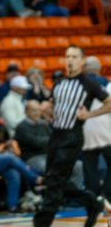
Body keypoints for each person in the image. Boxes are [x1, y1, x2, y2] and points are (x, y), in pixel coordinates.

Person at [34, 46, 111, 227]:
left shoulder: (88, 83)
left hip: (73, 136)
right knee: (54, 180)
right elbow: (54, 114)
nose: (70, 60)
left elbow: (109, 103)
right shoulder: (58, 83)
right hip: (56, 135)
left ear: (82, 61)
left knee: (55, 181)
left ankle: (42, 222)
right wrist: (46, 111)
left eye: (74, 57)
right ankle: (92, 202)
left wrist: (90, 115)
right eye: (68, 56)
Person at [82, 69, 111, 205]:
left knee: (90, 167)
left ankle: (92, 198)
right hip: (105, 128)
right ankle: (106, 195)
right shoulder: (106, 82)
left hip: (86, 129)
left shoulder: (78, 83)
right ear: (98, 69)